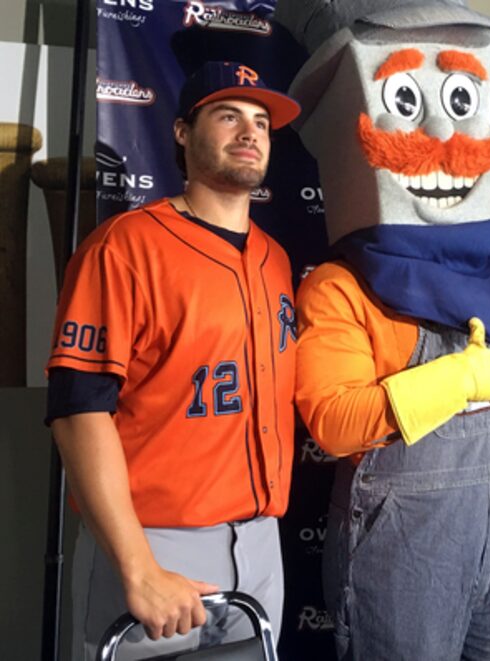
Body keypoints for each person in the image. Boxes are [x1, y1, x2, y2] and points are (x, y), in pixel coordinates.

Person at [275, 1, 490, 658]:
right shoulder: (340, 285)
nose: (444, 138)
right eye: (404, 96)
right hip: (401, 550)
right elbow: (334, 423)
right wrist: (453, 380)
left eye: (457, 98)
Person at [46, 61, 300, 660]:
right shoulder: (126, 245)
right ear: (183, 132)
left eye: (261, 121)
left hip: (260, 545)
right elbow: (78, 409)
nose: (250, 132)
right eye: (228, 115)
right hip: (151, 543)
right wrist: (137, 566)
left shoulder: (278, 259)